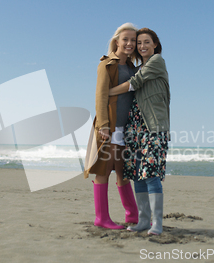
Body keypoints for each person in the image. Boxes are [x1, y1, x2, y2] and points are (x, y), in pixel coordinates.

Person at [109, 28, 170, 235]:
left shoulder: (156, 61)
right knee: (137, 174)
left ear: (155, 44)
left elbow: (133, 84)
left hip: (153, 127)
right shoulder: (139, 66)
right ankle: (143, 220)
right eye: (139, 43)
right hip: (135, 127)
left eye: (146, 42)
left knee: (151, 175)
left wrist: (107, 92)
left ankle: (157, 223)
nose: (142, 46)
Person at [84, 23, 140, 229]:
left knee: (123, 171)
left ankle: (132, 215)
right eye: (125, 39)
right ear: (117, 41)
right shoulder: (107, 64)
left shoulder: (133, 67)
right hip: (111, 126)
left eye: (133, 40)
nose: (129, 43)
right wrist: (104, 126)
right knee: (104, 169)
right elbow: (100, 95)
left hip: (126, 127)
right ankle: (101, 218)